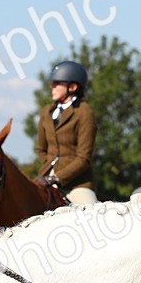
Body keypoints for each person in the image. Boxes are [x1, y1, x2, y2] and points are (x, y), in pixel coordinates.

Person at [34, 60, 97, 206]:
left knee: (92, 214)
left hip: (77, 184)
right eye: (52, 83)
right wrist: (50, 169)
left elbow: (84, 158)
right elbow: (41, 148)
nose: (52, 87)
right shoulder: (47, 111)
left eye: (57, 83)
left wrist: (57, 177)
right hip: (45, 179)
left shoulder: (84, 111)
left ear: (72, 87)